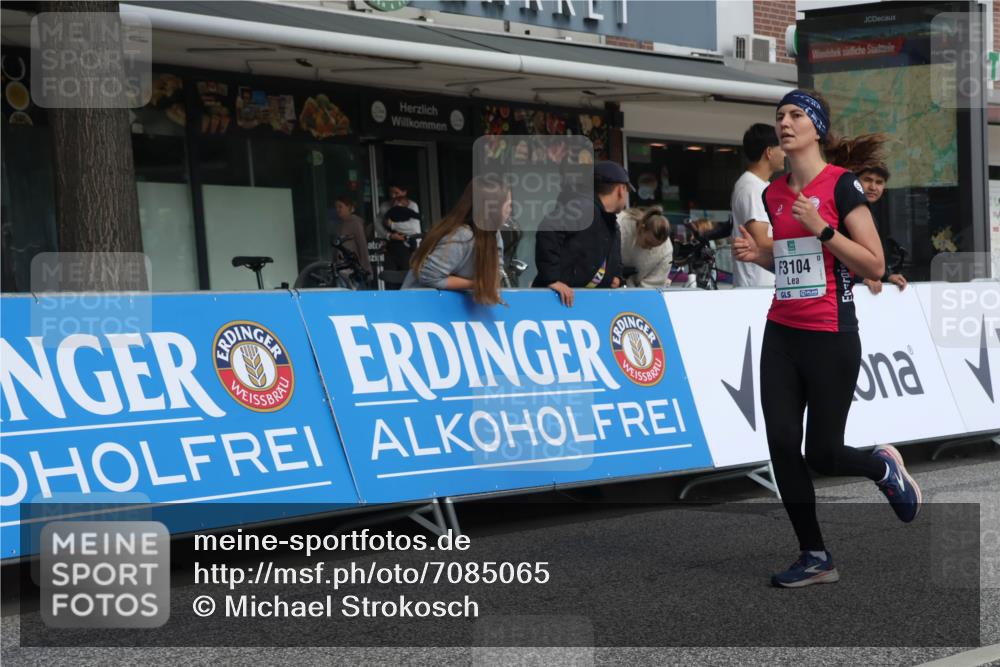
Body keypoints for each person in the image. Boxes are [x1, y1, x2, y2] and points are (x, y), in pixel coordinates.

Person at [732, 89, 921, 588]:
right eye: (780, 117)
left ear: (817, 127)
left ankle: (881, 466)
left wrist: (823, 230)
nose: (785, 123)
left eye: (796, 115)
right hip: (782, 330)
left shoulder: (842, 186)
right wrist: (761, 255)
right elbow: (792, 259)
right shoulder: (773, 192)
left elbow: (874, 263)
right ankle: (815, 555)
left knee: (821, 452)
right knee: (780, 445)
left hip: (832, 333)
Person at [532, 161, 628, 307]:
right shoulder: (584, 208)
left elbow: (609, 259)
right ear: (621, 189)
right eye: (627, 190)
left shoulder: (610, 222)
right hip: (555, 302)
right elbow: (548, 227)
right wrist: (551, 279)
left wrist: (617, 278)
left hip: (578, 304)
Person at [402, 176, 508, 306]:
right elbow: (429, 276)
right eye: (507, 205)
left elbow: (497, 271)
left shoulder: (493, 234)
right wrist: (477, 284)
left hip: (451, 309)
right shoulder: (462, 235)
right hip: (419, 309)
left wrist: (488, 283)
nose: (510, 210)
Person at [730, 123, 785, 288]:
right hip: (756, 286)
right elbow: (762, 241)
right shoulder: (751, 188)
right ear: (769, 152)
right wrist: (800, 243)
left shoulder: (760, 186)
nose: (785, 153)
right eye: (781, 148)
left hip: (763, 283)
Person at [856, 163, 907, 295]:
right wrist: (862, 278)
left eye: (879, 182)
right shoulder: (847, 211)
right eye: (867, 180)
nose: (873, 187)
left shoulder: (870, 211)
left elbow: (871, 255)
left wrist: (887, 276)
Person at [377, 183, 421, 290]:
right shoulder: (385, 207)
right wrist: (389, 235)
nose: (393, 196)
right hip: (391, 246)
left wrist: (393, 225)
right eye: (391, 193)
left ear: (404, 192)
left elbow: (414, 228)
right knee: (391, 280)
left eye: (396, 193)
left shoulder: (411, 205)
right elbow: (378, 225)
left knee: (407, 278)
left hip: (408, 247)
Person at [618, 206, 673, 288]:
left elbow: (652, 287)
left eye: (655, 246)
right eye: (648, 242)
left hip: (639, 292)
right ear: (642, 228)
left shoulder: (665, 251)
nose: (649, 248)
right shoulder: (620, 225)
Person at [331, 195, 372, 279]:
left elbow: (362, 245)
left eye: (340, 207)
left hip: (353, 266)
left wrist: (366, 268)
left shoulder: (355, 223)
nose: (338, 210)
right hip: (341, 266)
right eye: (336, 207)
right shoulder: (339, 225)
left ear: (348, 207)